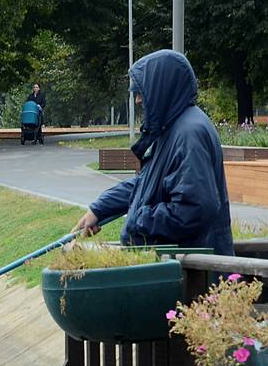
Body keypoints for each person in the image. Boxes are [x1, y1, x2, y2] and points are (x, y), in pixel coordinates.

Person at [72, 49, 234, 255]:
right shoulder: (173, 129)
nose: (138, 100)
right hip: (183, 268)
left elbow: (195, 209)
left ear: (161, 88)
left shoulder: (188, 134)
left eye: (141, 91)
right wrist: (100, 208)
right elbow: (148, 183)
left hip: (198, 275)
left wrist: (137, 222)